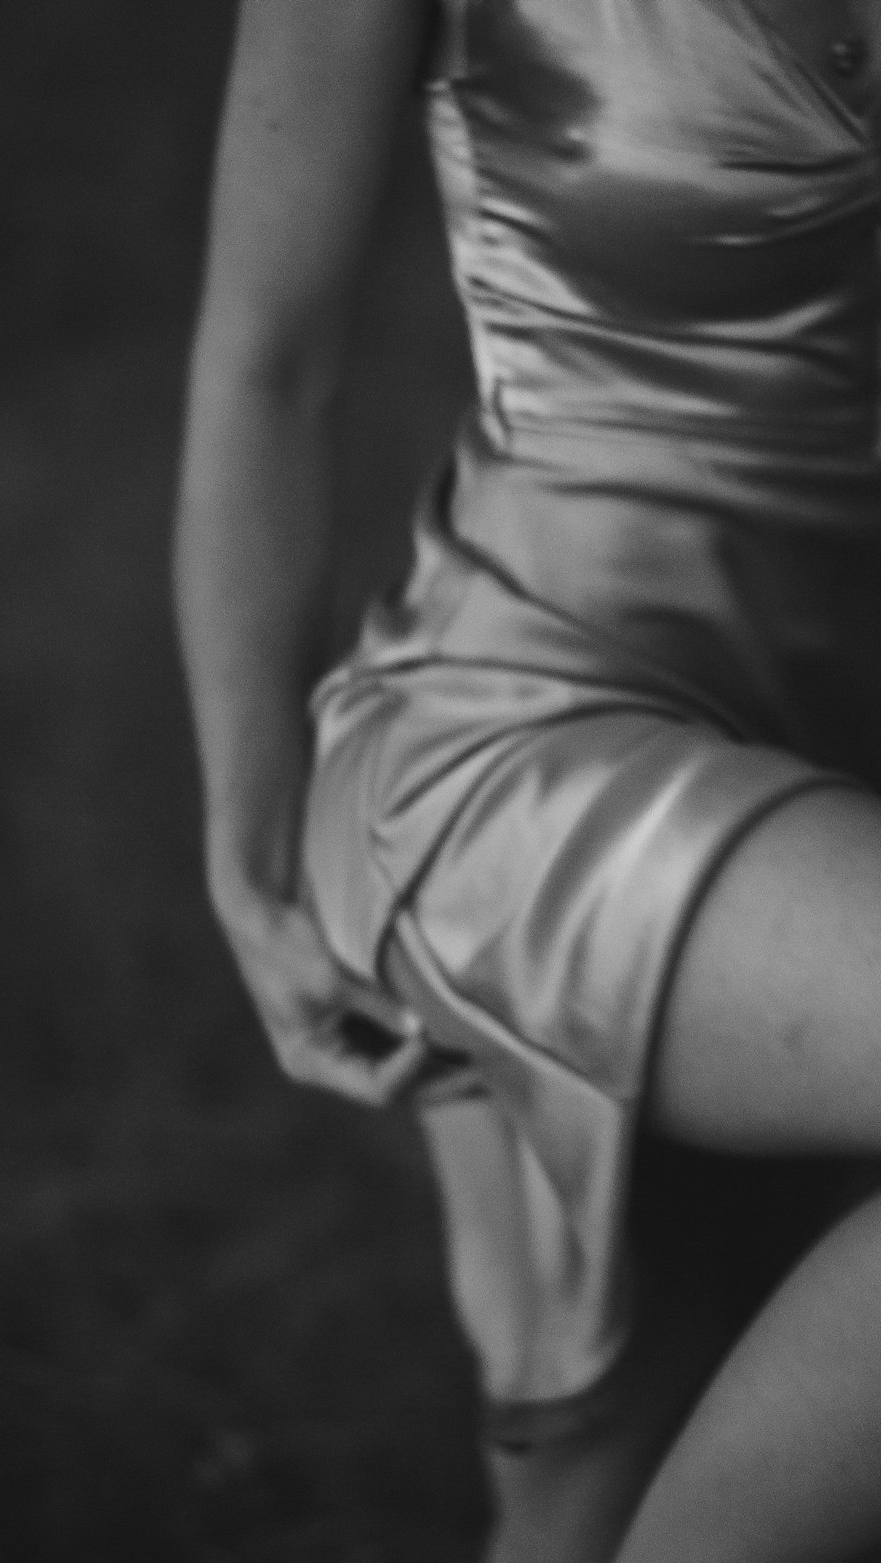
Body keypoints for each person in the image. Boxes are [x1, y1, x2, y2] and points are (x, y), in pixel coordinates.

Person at [173, 0, 881, 1557]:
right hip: (516, 741)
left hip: (844, 768)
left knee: (597, 1478)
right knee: (598, 1454)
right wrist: (247, 842)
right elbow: (266, 367)